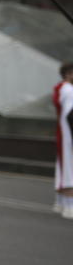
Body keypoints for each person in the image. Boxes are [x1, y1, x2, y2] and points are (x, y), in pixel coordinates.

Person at [54, 62, 73, 219]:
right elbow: (71, 115)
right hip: (69, 135)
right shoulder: (69, 90)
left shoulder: (61, 88)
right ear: (68, 74)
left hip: (64, 133)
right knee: (69, 170)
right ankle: (69, 206)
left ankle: (61, 203)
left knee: (64, 169)